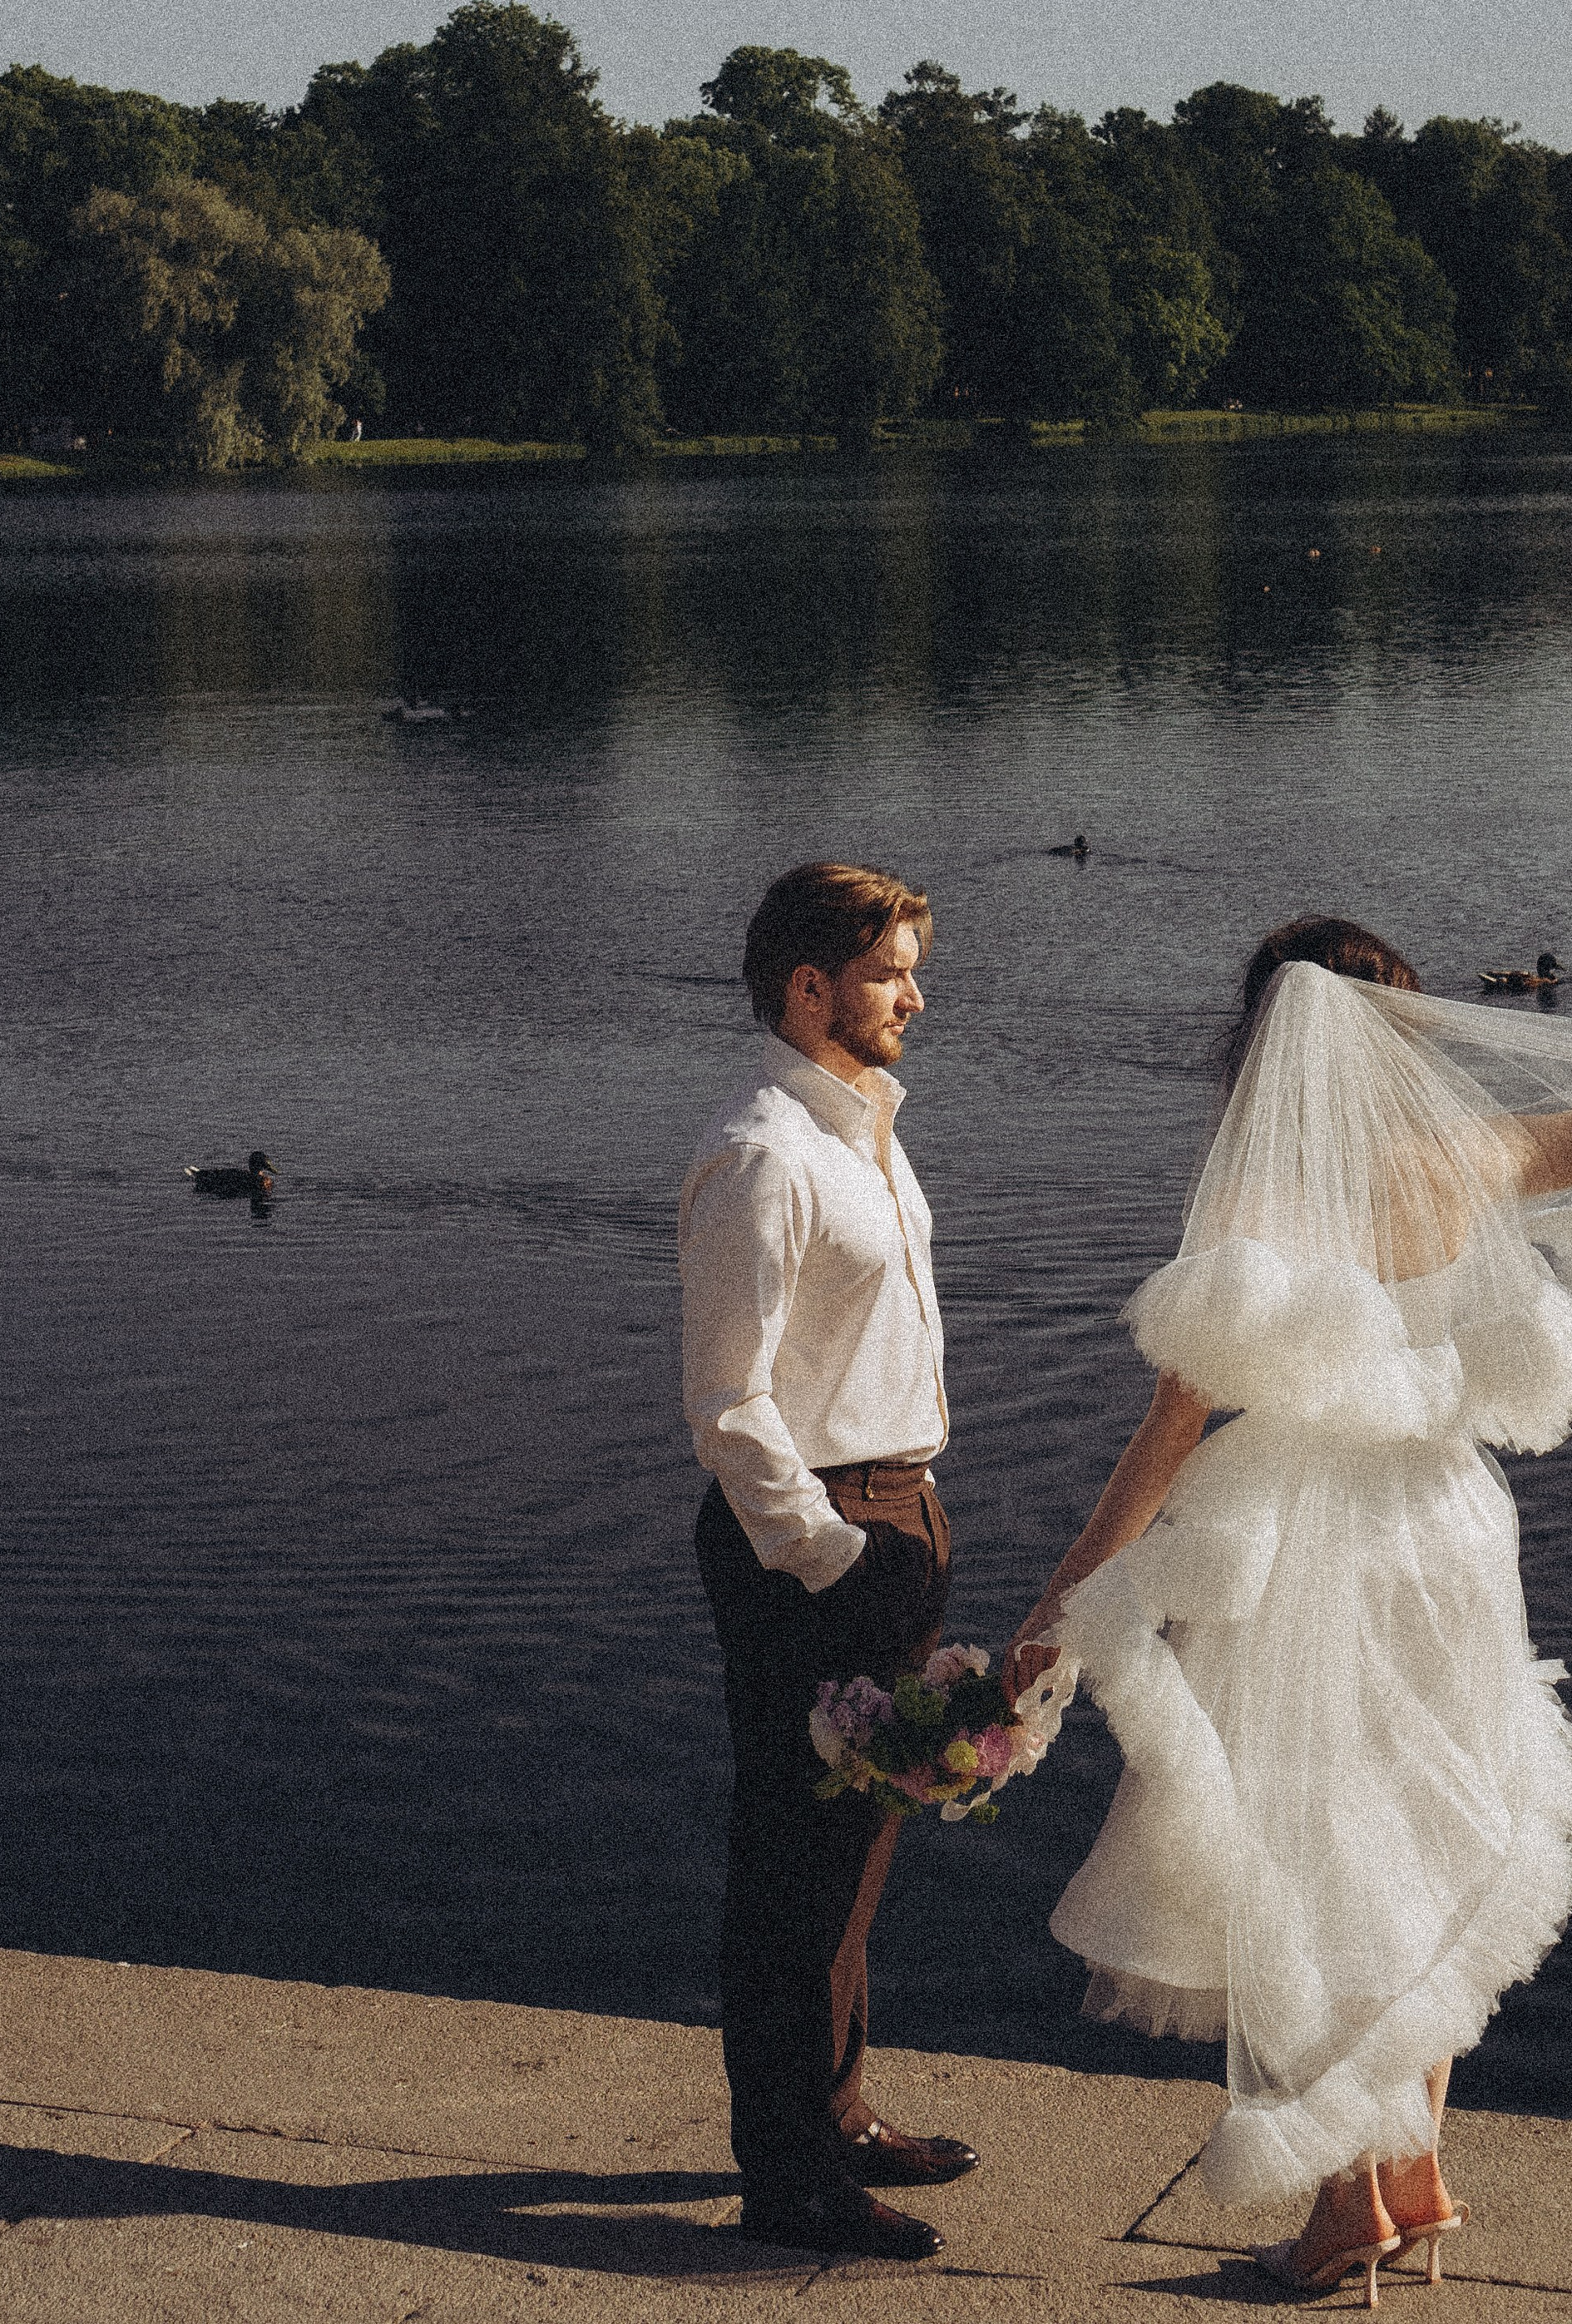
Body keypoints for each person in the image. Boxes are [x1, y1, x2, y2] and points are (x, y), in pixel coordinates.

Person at [1006, 916, 1572, 2304]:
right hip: (1452, 1533)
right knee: (1438, 1833)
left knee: (1311, 1860)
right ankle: (1413, 2170)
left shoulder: (1263, 1201)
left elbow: (1175, 1425)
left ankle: (1343, 2210)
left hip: (1308, 1551)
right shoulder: (1482, 1155)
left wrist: (1065, 1598)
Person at [680, 861, 976, 2262]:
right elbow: (729, 1404)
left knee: (859, 1845)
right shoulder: (765, 1154)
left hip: (896, 1512)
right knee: (792, 1858)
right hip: (817, 1536)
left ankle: (838, 2116)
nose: (915, 994)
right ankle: (785, 2173)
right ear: (811, 988)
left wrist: (893, 1535)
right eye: (888, 973)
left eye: (912, 968)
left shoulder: (865, 1131)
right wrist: (828, 1553)